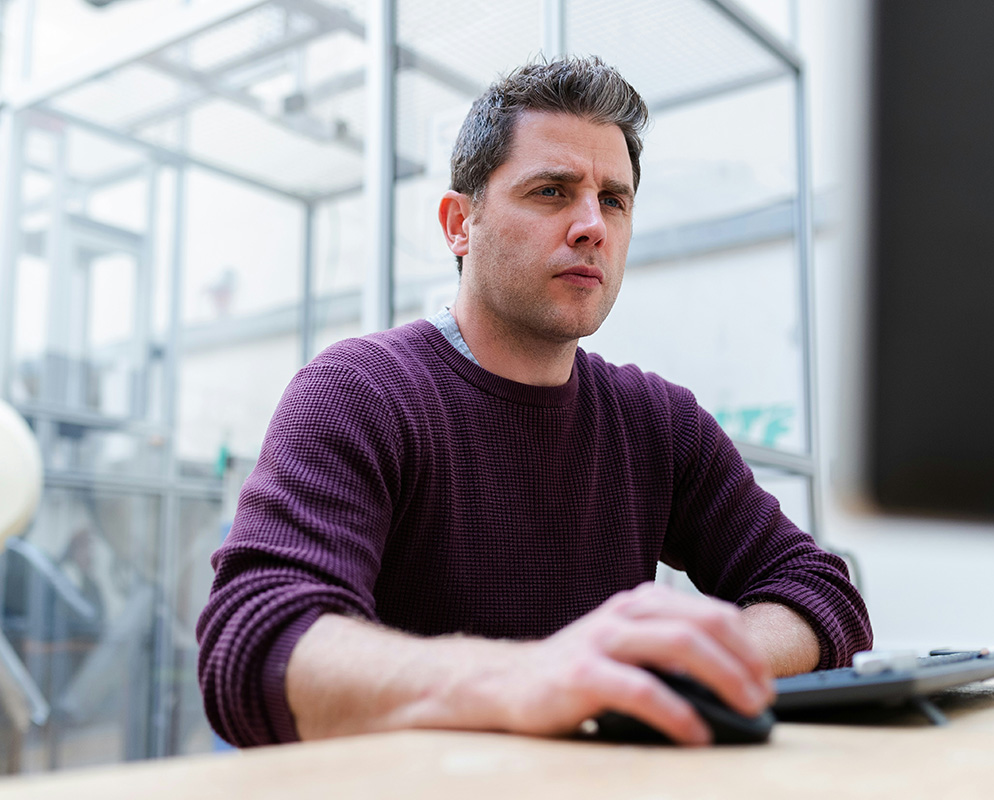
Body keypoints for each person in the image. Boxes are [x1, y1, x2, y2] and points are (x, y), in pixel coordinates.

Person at [197, 57, 872, 749]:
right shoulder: (360, 393)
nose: (592, 226)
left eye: (614, 199)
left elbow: (819, 591)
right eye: (552, 191)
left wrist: (683, 662)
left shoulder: (658, 423)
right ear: (460, 223)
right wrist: (530, 676)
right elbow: (255, 646)